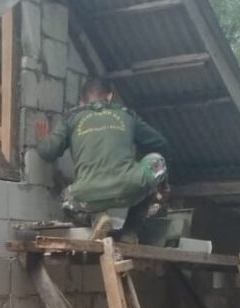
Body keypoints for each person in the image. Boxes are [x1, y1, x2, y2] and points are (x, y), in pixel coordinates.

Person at [34, 78, 171, 240]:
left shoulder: (71, 118)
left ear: (81, 101)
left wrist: (42, 141)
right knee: (157, 162)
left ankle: (96, 219)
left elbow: (48, 153)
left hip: (87, 195)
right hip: (128, 187)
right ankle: (129, 231)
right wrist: (140, 164)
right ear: (109, 96)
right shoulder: (126, 115)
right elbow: (161, 143)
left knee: (66, 198)